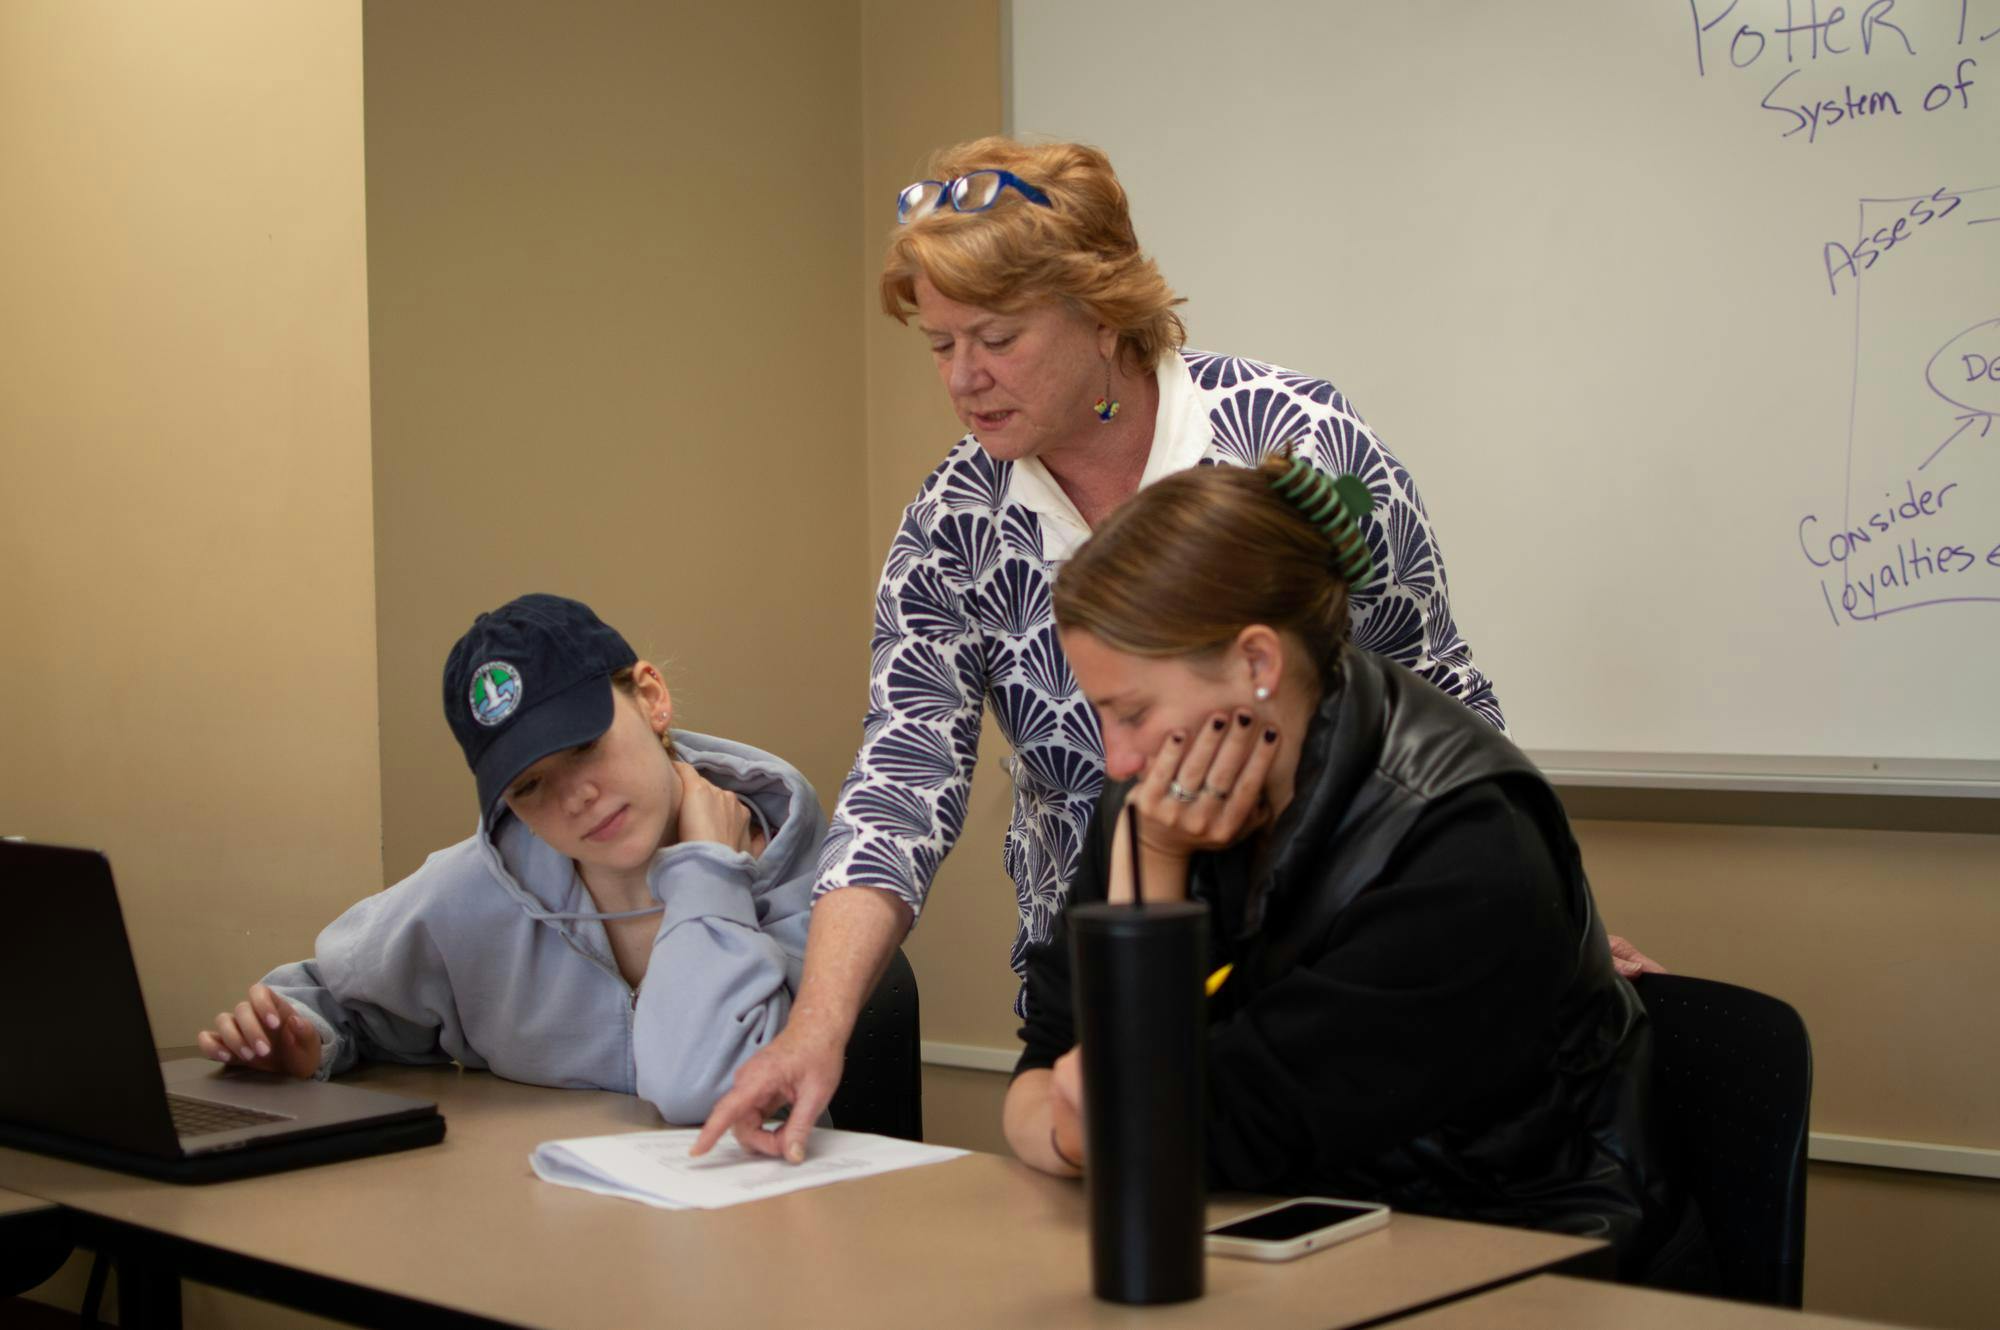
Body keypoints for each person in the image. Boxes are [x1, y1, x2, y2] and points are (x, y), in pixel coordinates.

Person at [697, 137, 1653, 1162]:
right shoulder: (955, 518)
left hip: (1332, 957)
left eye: (997, 337)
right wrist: (818, 1027)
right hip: (1104, 935)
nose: (963, 380)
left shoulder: (1291, 439)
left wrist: (1542, 920)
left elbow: (1434, 700)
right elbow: (903, 776)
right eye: (939, 346)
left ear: (1100, 310)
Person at [1006, 457, 1706, 1283]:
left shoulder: (1464, 841)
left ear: (1258, 664)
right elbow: (1048, 1062)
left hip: (1522, 1262)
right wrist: (1154, 868)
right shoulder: (1160, 802)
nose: (1115, 757)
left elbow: (1184, 1134)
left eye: (1133, 711)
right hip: (1290, 1244)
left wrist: (1092, 1118)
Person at [195, 594, 819, 1124]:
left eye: (584, 746)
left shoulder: (801, 876)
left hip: (762, 1232)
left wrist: (709, 873)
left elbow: (706, 1086)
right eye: (528, 786)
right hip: (549, 1232)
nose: (574, 798)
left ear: (652, 697)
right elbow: (334, 998)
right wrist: (303, 1042)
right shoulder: (476, 888)